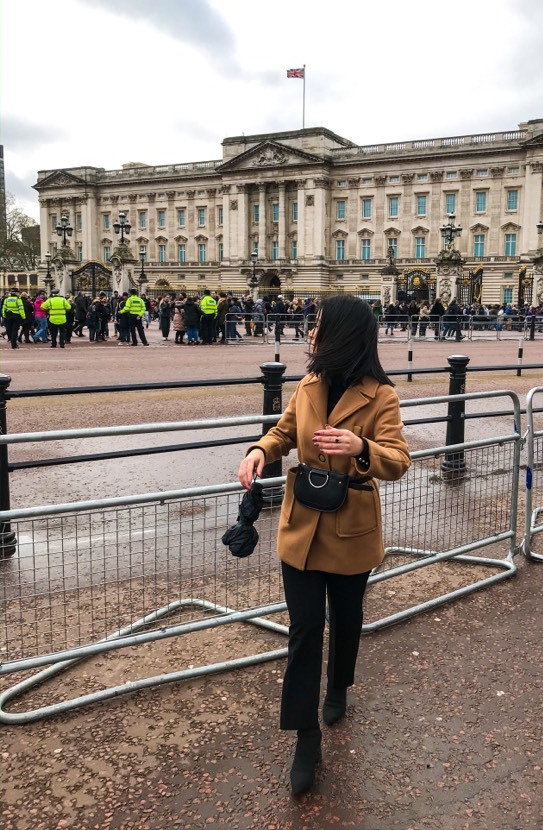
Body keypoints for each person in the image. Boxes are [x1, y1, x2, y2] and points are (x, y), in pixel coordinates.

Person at [237, 294, 411, 795]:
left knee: (348, 618)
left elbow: (398, 461)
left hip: (351, 527)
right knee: (305, 629)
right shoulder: (310, 383)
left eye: (318, 325)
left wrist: (361, 449)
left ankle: (339, 685)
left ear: (341, 335)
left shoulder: (381, 396)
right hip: (302, 526)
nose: (311, 332)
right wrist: (257, 452)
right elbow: (284, 432)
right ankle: (305, 737)